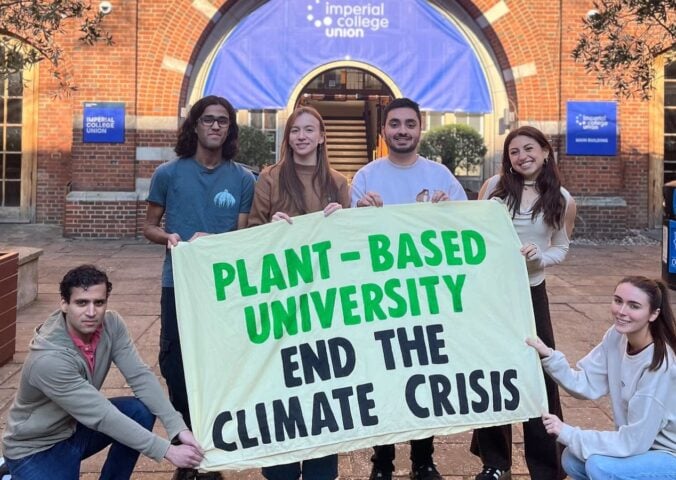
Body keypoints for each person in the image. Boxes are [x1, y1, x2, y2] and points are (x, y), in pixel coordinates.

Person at [351, 97, 467, 480]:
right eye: (395, 124)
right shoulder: (366, 176)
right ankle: (381, 460)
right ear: (384, 130)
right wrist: (361, 213)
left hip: (427, 298)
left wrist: (450, 211)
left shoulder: (440, 176)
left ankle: (424, 458)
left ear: (420, 129)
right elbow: (349, 240)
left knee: (426, 379)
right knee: (381, 376)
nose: (402, 130)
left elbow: (468, 229)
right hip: (380, 298)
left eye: (409, 124)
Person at [1, 265, 204, 480]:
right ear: (64, 303)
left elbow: (140, 377)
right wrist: (168, 451)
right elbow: (102, 416)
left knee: (138, 411)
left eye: (99, 303)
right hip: (37, 447)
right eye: (81, 303)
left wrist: (178, 428)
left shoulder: (111, 324)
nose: (91, 312)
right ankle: (11, 473)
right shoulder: (48, 359)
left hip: (75, 427)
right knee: (112, 419)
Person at [144, 95, 255, 480]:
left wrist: (218, 244)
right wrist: (169, 237)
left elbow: (241, 234)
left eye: (222, 121)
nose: (215, 126)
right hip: (178, 283)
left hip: (221, 290)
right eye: (208, 120)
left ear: (230, 129)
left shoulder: (243, 179)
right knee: (175, 366)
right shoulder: (168, 174)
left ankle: (213, 454)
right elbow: (148, 226)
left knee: (218, 367)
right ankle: (186, 447)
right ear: (195, 125)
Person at [248, 105, 350, 479]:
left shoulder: (339, 182)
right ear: (287, 137)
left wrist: (345, 221)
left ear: (322, 137)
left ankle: (323, 468)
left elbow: (350, 247)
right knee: (280, 388)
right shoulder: (270, 179)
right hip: (279, 302)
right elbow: (250, 235)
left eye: (310, 130)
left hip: (324, 306)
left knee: (324, 391)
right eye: (295, 130)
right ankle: (280, 468)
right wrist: (268, 227)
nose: (302, 136)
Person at [470, 126, 577, 480]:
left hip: (531, 293)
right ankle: (495, 462)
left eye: (529, 149)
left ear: (545, 151)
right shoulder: (492, 188)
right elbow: (471, 232)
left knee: (541, 373)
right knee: (492, 372)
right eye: (514, 151)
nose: (522, 156)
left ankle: (546, 465)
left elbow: (561, 247)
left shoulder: (561, 198)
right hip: (492, 294)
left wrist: (539, 259)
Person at [527, 276, 676, 479]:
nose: (622, 312)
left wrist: (569, 432)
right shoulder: (617, 337)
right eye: (618, 301)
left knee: (599, 467)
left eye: (634, 306)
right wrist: (549, 357)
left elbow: (634, 442)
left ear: (653, 314)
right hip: (641, 446)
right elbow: (586, 383)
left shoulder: (659, 365)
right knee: (572, 458)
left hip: (668, 454)